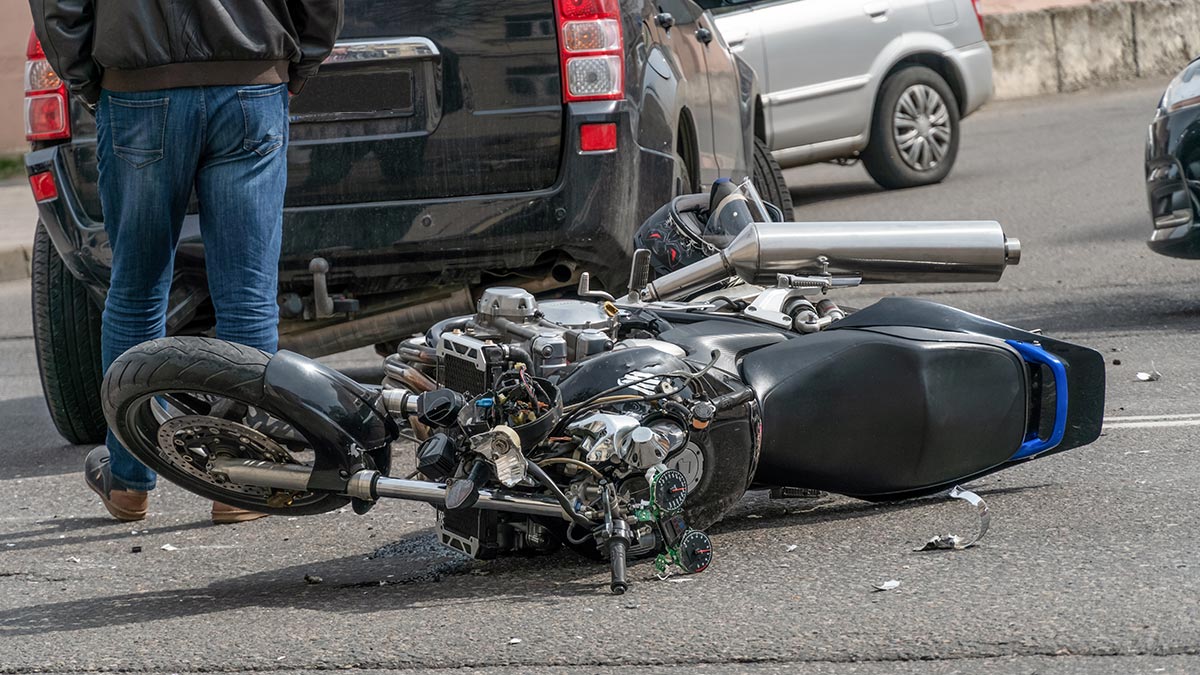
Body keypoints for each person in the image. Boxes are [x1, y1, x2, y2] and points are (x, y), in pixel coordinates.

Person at [30, 0, 342, 524]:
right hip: (251, 83)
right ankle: (239, 477)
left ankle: (129, 480)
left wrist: (88, 78)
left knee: (136, 290)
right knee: (246, 294)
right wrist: (301, 60)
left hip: (137, 89)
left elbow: (59, 7)